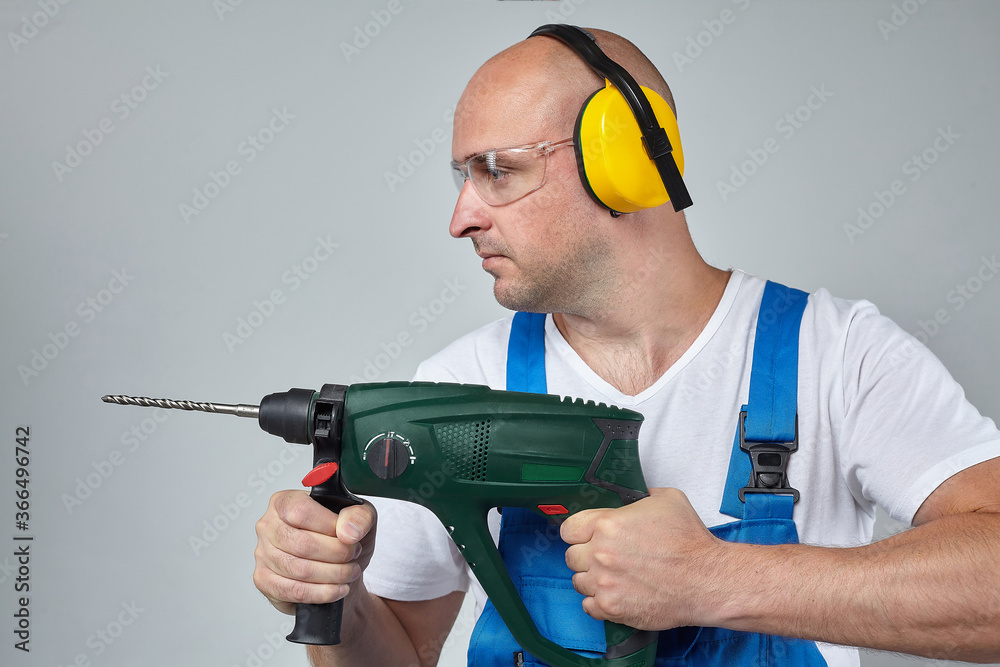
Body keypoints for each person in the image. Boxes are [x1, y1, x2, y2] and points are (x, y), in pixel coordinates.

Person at [252, 25, 1000, 667]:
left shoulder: (836, 354)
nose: (461, 217)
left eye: (497, 171)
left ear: (624, 156)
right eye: (463, 175)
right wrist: (336, 597)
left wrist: (716, 578)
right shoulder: (459, 386)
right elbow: (403, 653)